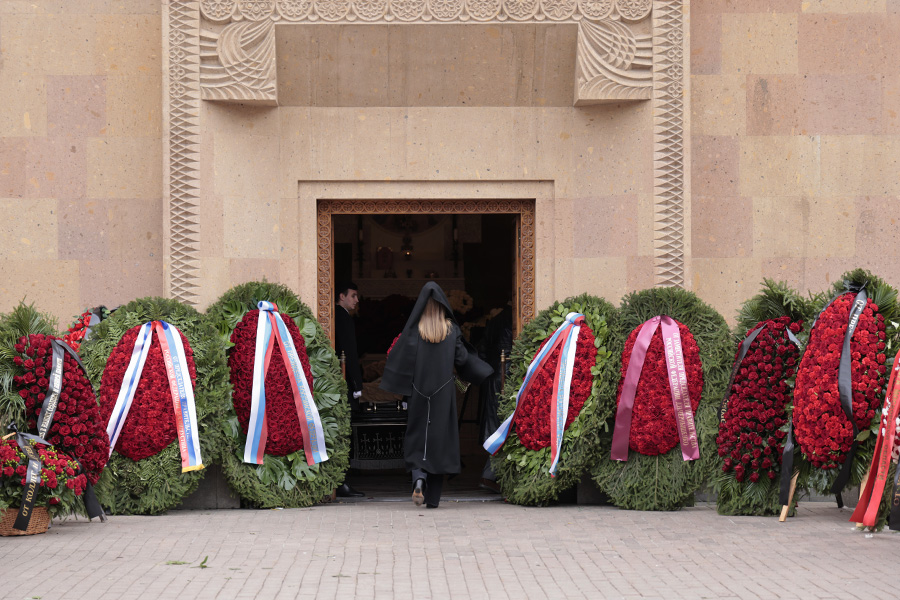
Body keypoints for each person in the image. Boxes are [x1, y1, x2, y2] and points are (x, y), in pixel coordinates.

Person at [380, 282, 492, 508]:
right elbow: (462, 360)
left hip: (417, 393)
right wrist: (484, 370)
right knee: (440, 441)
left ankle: (418, 479)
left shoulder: (414, 330)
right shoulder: (451, 330)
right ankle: (433, 500)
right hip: (444, 395)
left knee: (417, 438)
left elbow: (401, 361)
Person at [334, 281, 365, 498]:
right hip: (343, 382)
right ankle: (341, 481)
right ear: (341, 296)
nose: (356, 300)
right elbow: (349, 354)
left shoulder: (341, 315)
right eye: (353, 296)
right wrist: (357, 384)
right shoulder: (342, 317)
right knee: (344, 430)